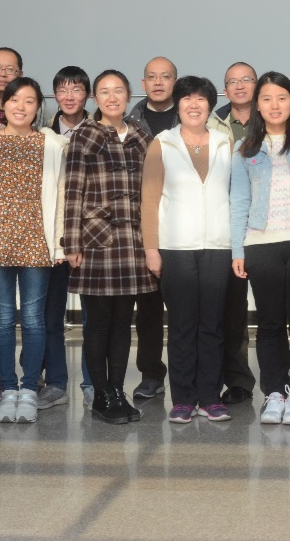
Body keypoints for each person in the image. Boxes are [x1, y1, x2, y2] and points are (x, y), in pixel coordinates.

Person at [0, 76, 69, 424]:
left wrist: (60, 243)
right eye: (15, 100)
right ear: (3, 105)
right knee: (3, 320)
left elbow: (62, 198)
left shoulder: (52, 145)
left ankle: (29, 390)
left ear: (38, 108)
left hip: (37, 243)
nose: (21, 107)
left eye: (29, 101)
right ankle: (8, 389)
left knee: (34, 320)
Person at [231, 72, 290, 426]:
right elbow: (239, 201)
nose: (275, 105)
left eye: (282, 98)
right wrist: (237, 250)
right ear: (257, 105)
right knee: (269, 323)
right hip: (261, 243)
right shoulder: (245, 150)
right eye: (267, 98)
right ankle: (274, 393)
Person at [64, 70, 156, 424]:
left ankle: (117, 390)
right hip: (95, 240)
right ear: (95, 98)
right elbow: (73, 190)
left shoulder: (141, 137)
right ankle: (101, 394)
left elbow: (151, 193)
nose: (112, 97)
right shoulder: (84, 135)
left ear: (129, 95)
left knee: (122, 324)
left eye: (118, 91)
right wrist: (72, 241)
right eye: (104, 91)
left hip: (132, 242)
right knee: (98, 324)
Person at [142, 76, 235, 423]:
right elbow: (149, 201)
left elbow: (237, 195)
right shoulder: (162, 143)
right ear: (177, 105)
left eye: (201, 99)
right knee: (182, 325)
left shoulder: (226, 143)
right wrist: (151, 249)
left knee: (213, 324)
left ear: (210, 105)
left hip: (219, 246)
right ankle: (182, 398)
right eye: (186, 99)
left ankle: (210, 396)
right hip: (175, 247)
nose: (194, 105)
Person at [124, 57, 176, 400]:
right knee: (147, 309)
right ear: (143, 84)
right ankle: (151, 374)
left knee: (188, 309)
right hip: (142, 225)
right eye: (152, 77)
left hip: (184, 226)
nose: (158, 82)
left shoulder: (190, 118)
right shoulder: (129, 123)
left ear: (175, 82)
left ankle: (191, 376)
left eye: (165, 77)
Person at [42, 65, 92, 410]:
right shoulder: (43, 134)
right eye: (63, 89)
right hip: (52, 236)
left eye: (76, 89)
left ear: (87, 95)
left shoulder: (100, 131)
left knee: (92, 317)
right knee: (51, 315)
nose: (69, 96)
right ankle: (56, 383)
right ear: (55, 95)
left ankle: (91, 382)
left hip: (90, 238)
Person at [210, 62, 260, 406]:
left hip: (269, 224)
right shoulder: (211, 123)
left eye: (246, 80)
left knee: (276, 310)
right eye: (232, 82)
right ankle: (235, 380)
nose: (239, 86)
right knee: (230, 310)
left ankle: (288, 382)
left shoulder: (273, 117)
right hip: (226, 227)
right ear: (225, 89)